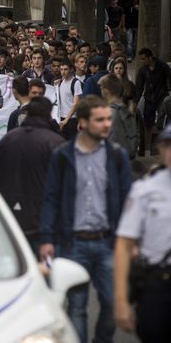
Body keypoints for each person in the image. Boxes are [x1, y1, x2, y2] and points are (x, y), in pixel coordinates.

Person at [40, 95, 133, 343]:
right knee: (77, 308)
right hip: (73, 244)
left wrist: (131, 241)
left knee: (113, 304)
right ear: (82, 123)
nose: (107, 125)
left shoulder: (116, 156)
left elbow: (127, 200)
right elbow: (51, 198)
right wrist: (47, 239)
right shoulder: (63, 156)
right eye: (100, 120)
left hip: (107, 243)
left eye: (108, 120)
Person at [114, 124, 171, 341]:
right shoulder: (145, 190)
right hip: (158, 282)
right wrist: (121, 301)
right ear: (161, 149)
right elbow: (124, 244)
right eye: (168, 145)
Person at [0, 97, 65, 255]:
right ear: (49, 115)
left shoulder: (8, 139)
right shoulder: (55, 143)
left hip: (10, 219)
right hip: (43, 224)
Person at [135, 48, 171, 156]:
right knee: (147, 124)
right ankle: (147, 151)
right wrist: (135, 102)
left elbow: (170, 77)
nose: (142, 61)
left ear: (150, 57)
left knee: (163, 123)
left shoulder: (162, 66)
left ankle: (165, 149)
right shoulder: (143, 70)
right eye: (141, 59)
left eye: (144, 58)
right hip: (149, 98)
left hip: (162, 97)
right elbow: (139, 87)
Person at [99, 75, 138, 159]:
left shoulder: (110, 113)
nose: (101, 91)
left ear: (106, 91)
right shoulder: (126, 109)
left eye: (101, 88)